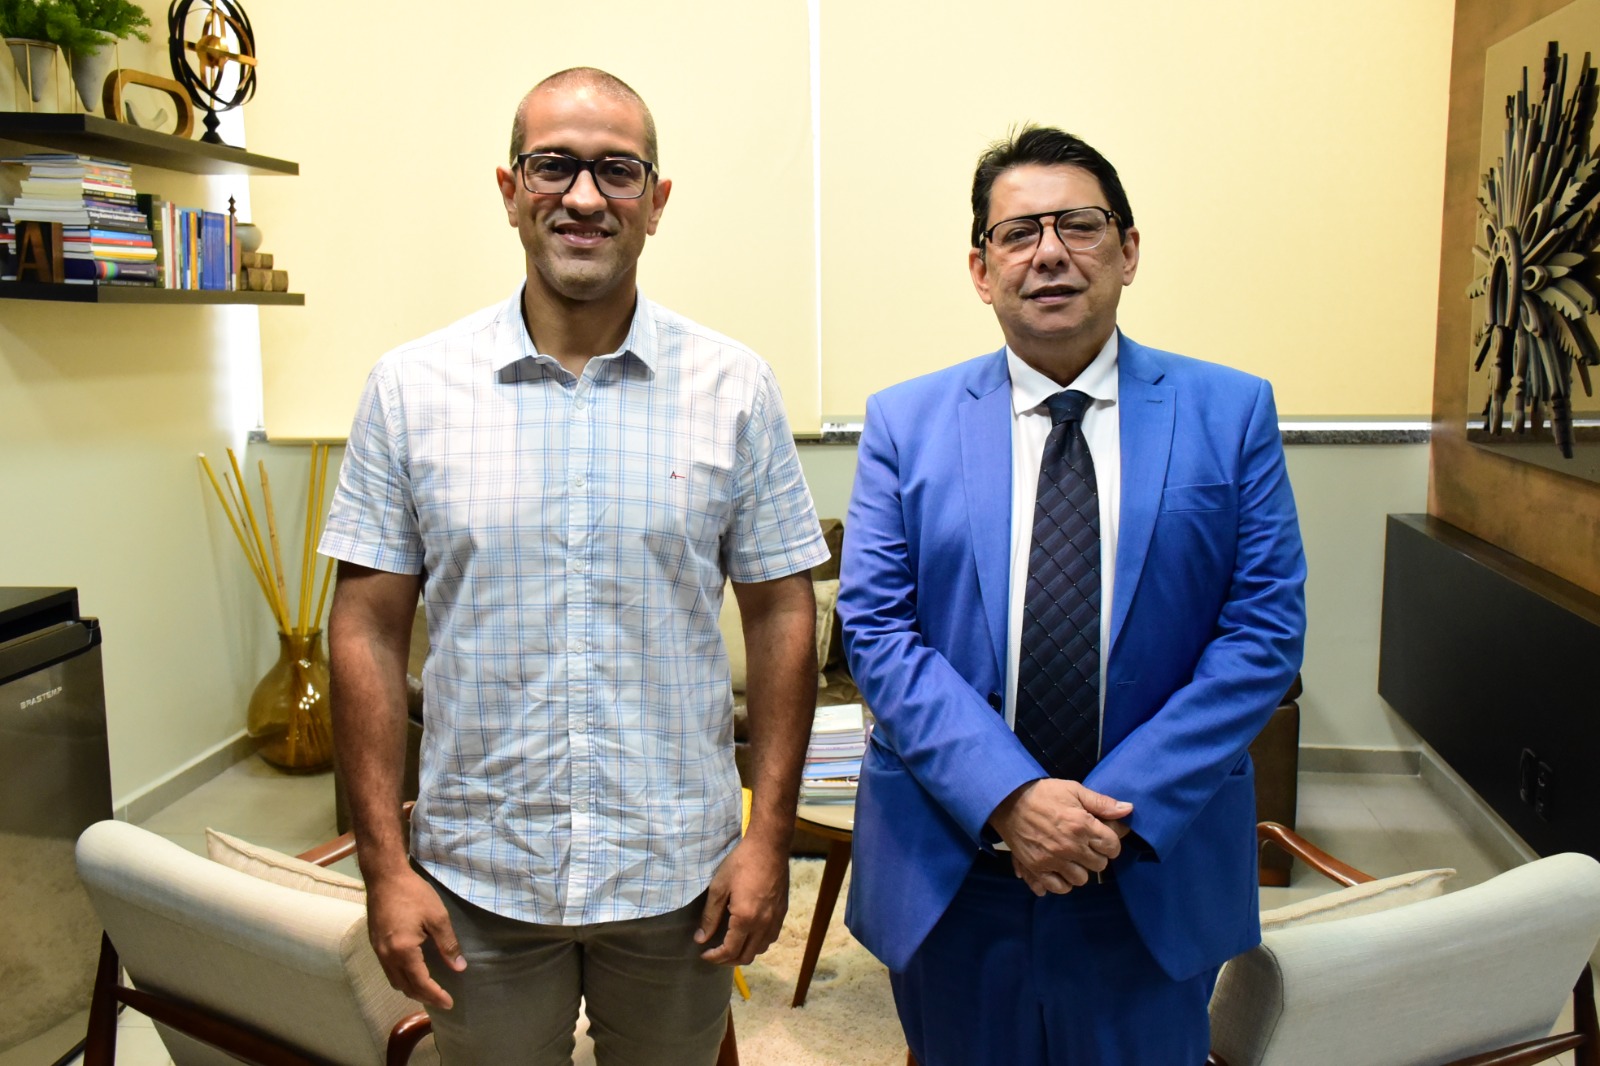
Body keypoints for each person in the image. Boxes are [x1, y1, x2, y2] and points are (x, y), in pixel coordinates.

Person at [320, 67, 829, 1066]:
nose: (585, 197)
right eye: (554, 166)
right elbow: (365, 630)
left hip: (677, 870)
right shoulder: (412, 388)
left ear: (657, 201)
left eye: (617, 171)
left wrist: (767, 837)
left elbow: (782, 616)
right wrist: (385, 865)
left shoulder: (733, 386)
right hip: (480, 871)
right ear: (510, 190)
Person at [837, 125, 1307, 1065]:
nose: (1049, 252)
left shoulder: (1231, 411)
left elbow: (1263, 632)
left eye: (1079, 225)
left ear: (1128, 250)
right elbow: (878, 630)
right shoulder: (905, 421)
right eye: (1018, 233)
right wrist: (1011, 797)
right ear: (981, 268)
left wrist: (1099, 816)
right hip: (956, 860)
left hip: (1147, 857)